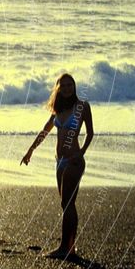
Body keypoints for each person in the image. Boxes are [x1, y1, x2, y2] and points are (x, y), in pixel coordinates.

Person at [20, 73, 94, 258]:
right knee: (66, 204)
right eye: (64, 85)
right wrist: (30, 150)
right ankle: (70, 248)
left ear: (75, 87)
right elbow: (45, 131)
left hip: (73, 161)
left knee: (67, 203)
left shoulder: (82, 106)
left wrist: (81, 152)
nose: (68, 88)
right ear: (58, 88)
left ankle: (65, 248)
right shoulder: (58, 110)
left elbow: (90, 133)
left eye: (71, 85)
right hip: (59, 162)